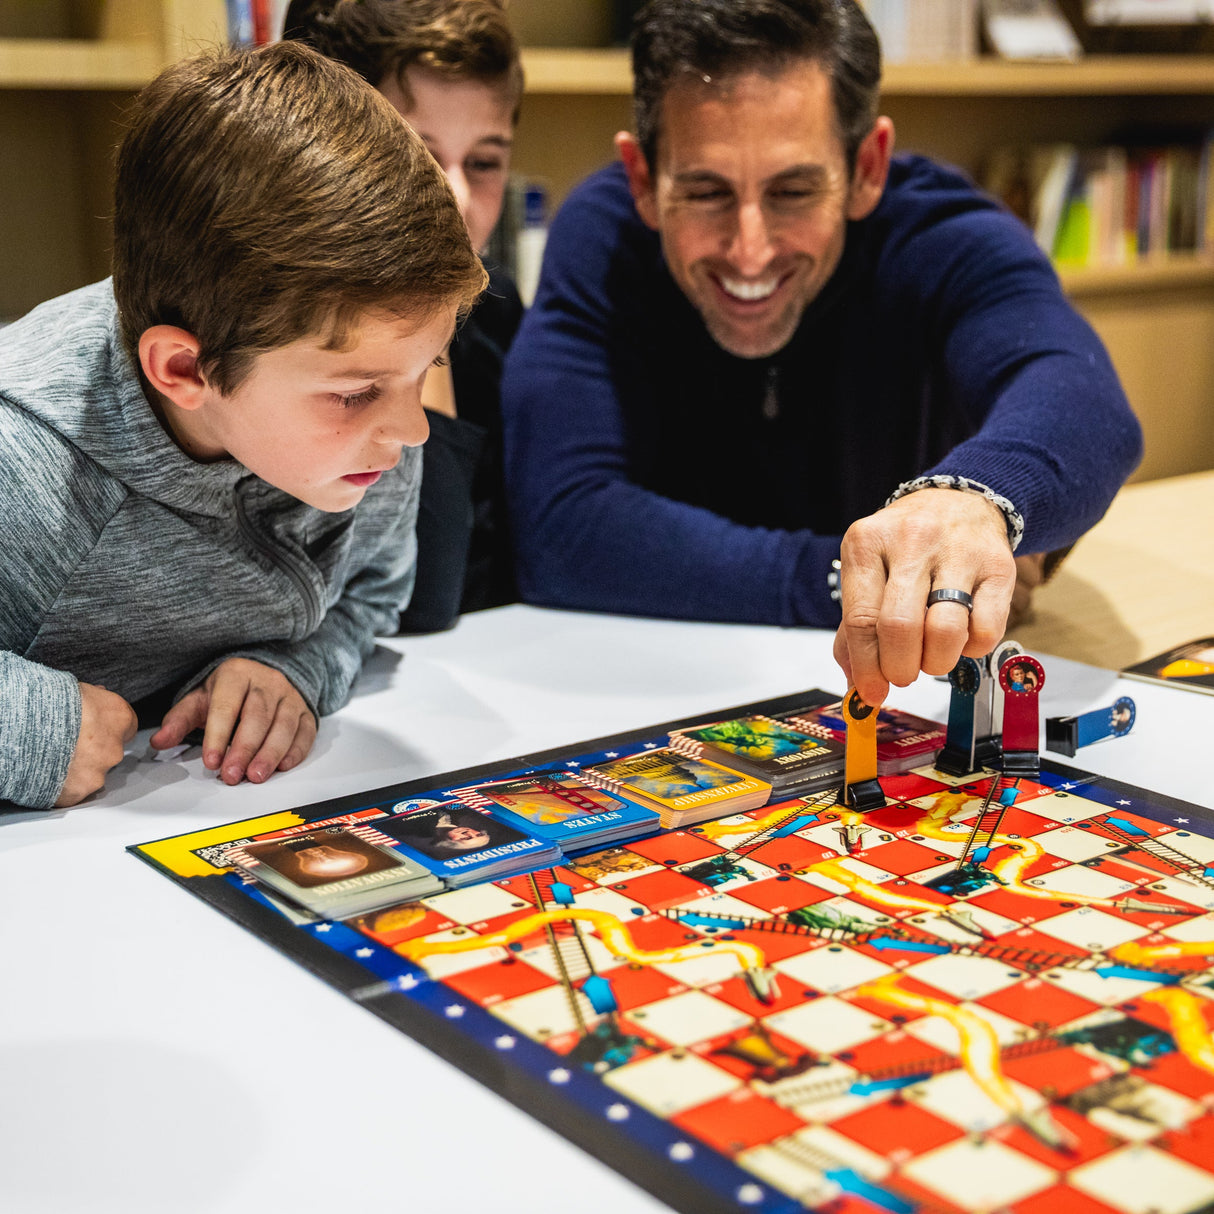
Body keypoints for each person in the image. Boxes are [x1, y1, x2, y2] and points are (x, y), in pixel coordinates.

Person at [500, 0, 1143, 707]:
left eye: (794, 191)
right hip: (644, 693)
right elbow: (562, 525)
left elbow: (1082, 400)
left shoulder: (944, 234)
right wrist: (863, 578)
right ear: (643, 180)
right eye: (707, 192)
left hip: (903, 698)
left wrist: (971, 503)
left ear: (867, 166)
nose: (750, 249)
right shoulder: (603, 239)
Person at [0, 41, 485, 810]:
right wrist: (24, 731)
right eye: (355, 391)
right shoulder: (19, 457)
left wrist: (299, 665)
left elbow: (373, 595)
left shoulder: (376, 437)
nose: (411, 431)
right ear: (186, 372)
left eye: (425, 369)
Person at [282, 0, 525, 632]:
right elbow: (423, 600)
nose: (457, 197)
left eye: (485, 161)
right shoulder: (270, 343)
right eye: (415, 155)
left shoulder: (497, 317)